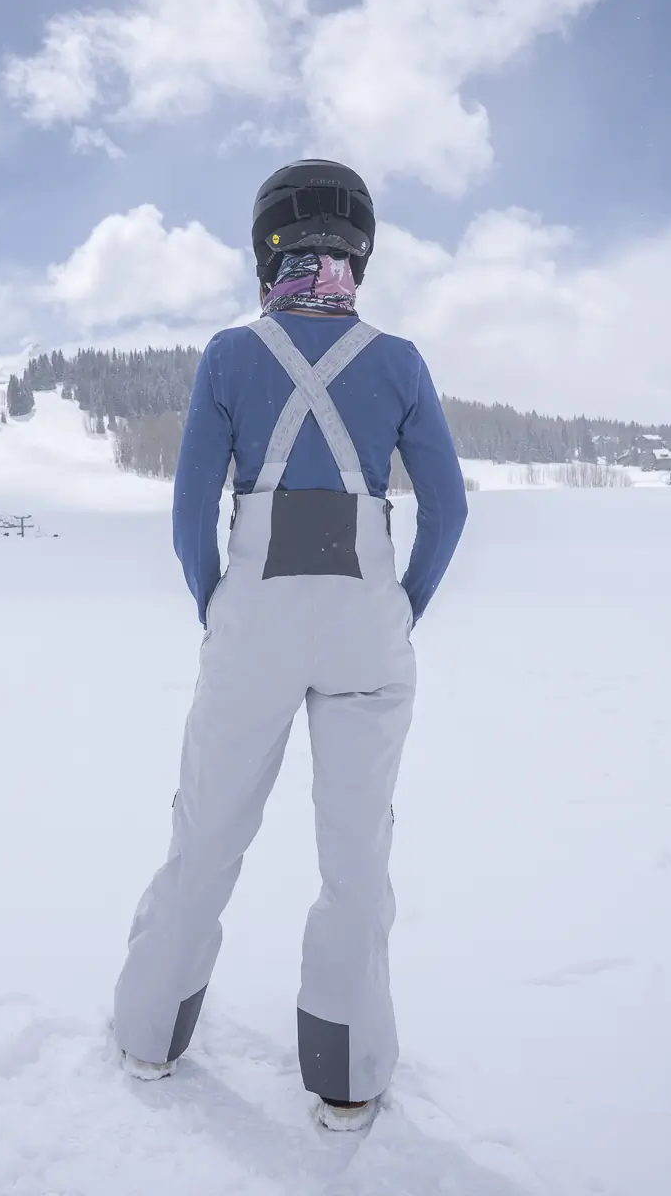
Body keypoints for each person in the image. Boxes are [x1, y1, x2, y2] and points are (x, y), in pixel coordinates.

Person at [111, 159, 468, 1132]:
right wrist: (399, 610)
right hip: (366, 625)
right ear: (362, 249)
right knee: (357, 854)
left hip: (254, 622)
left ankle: (150, 1036)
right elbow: (447, 510)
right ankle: (348, 1076)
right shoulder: (399, 362)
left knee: (206, 833)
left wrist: (220, 611)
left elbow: (190, 518)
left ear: (265, 248)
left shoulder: (232, 355)